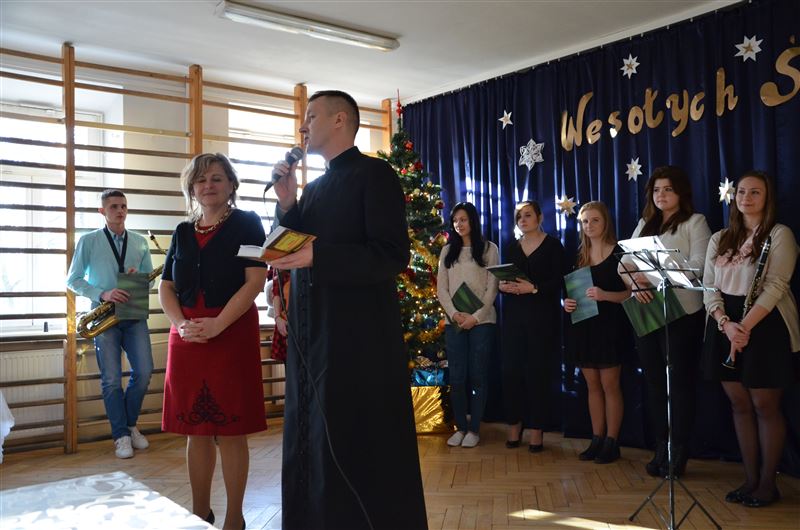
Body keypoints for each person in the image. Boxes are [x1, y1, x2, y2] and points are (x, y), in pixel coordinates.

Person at [268, 90, 428, 529]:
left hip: (358, 341)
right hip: (312, 335)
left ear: (340, 120)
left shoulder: (374, 175)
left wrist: (319, 256)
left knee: (356, 443)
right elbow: (289, 251)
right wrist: (287, 204)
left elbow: (391, 254)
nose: (303, 125)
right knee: (312, 440)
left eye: (311, 115)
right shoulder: (315, 189)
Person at [159, 153, 268, 530]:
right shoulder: (181, 231)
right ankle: (199, 513)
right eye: (201, 180)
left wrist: (218, 324)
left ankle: (234, 518)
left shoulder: (248, 223)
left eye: (217, 178)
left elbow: (255, 281)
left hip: (231, 333)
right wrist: (180, 324)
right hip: (187, 337)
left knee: (231, 429)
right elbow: (166, 287)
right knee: (196, 429)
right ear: (191, 188)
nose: (209, 185)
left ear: (232, 184)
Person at [701, 171, 799, 508]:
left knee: (764, 405)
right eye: (741, 192)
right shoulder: (720, 238)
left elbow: (777, 285)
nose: (746, 198)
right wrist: (725, 324)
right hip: (725, 324)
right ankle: (750, 479)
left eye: (755, 192)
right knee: (739, 404)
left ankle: (768, 484)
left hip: (765, 323)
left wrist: (743, 327)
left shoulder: (779, 234)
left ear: (767, 197)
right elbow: (709, 286)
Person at [619, 166, 711, 477]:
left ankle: (679, 450)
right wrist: (636, 284)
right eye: (657, 190)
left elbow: (698, 267)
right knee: (655, 383)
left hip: (682, 313)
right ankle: (661, 446)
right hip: (647, 311)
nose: (661, 195)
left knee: (680, 384)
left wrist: (653, 273)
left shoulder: (695, 222)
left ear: (680, 192)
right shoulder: (645, 223)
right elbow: (623, 264)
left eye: (668, 189)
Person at [66, 189, 154, 459]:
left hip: (133, 312)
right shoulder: (89, 240)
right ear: (102, 211)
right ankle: (121, 435)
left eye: (123, 206)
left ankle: (128, 425)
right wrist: (102, 293)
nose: (120, 211)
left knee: (145, 371)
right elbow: (73, 280)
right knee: (112, 379)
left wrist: (138, 279)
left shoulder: (140, 242)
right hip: (103, 315)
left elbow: (150, 281)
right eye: (114, 206)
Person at [563, 202, 630, 463]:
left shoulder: (620, 253)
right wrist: (566, 303)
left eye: (594, 220)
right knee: (592, 385)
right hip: (584, 326)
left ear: (605, 222)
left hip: (610, 327)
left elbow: (631, 294)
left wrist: (605, 295)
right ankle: (597, 438)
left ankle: (612, 442)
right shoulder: (579, 255)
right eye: (584, 221)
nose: (589, 226)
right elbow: (570, 292)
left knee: (610, 385)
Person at [498, 201, 565, 452]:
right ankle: (514, 425)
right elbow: (506, 280)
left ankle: (537, 430)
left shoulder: (554, 246)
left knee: (538, 374)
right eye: (519, 217)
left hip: (542, 319)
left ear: (539, 217)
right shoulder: (511, 247)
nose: (523, 220)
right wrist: (503, 287)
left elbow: (560, 281)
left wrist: (534, 288)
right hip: (514, 319)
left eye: (528, 215)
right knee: (511, 372)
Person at [436, 201, 499, 449]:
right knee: (458, 377)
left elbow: (492, 287)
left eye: (463, 219)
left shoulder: (489, 249)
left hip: (482, 322)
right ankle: (461, 427)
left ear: (473, 220)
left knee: (478, 376)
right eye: (455, 220)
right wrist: (454, 314)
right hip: (455, 322)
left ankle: (474, 430)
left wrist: (476, 317)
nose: (458, 224)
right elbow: (442, 288)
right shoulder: (447, 251)